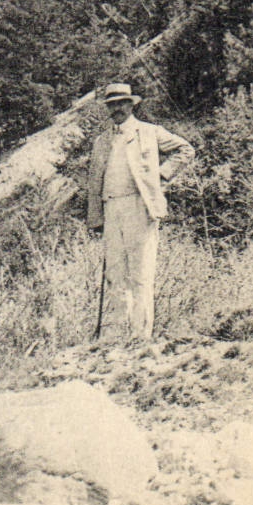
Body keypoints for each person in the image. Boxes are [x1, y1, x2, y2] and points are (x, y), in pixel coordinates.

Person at [82, 83, 196, 342]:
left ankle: (140, 336)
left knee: (141, 272)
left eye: (121, 103)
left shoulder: (149, 132)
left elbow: (185, 150)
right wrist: (95, 217)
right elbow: (94, 182)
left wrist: (162, 175)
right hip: (111, 208)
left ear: (132, 105)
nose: (117, 109)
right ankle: (113, 336)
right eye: (112, 105)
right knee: (115, 273)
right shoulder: (102, 141)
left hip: (139, 207)